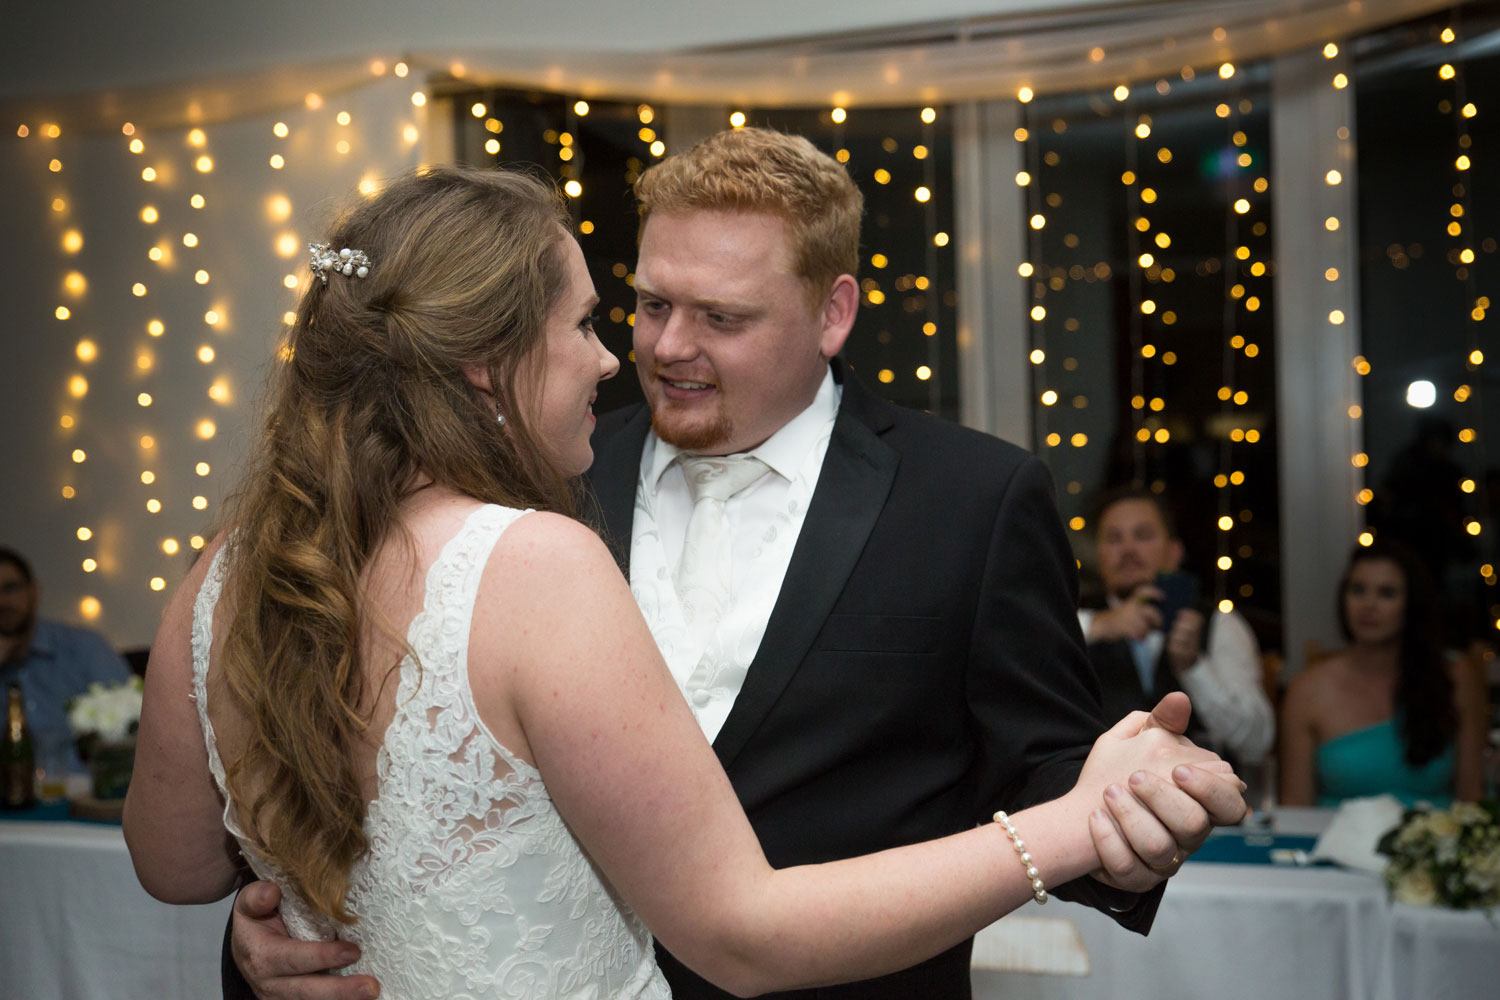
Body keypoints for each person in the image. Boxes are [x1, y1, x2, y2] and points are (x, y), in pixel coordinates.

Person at [214, 140, 1244, 1000]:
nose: (665, 347)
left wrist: (1129, 822)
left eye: (722, 317)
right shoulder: (532, 475)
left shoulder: (973, 498)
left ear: (832, 313)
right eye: (651, 304)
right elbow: (362, 758)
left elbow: (1044, 768)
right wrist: (269, 926)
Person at [1279, 539, 1485, 807]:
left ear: (1412, 604)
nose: (1368, 605)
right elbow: (1295, 808)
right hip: (1336, 845)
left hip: (1438, 844)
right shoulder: (1306, 690)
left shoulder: (1455, 676)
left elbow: (1472, 797)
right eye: (1357, 590)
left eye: (1386, 593)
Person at [1078, 487, 1274, 765]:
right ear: (1099, 555)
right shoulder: (1073, 621)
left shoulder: (1219, 624)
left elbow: (1256, 744)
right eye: (1113, 538)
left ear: (1174, 552)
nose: (1128, 549)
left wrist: (1194, 666)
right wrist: (1098, 626)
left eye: (1143, 535)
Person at [0, 546, 132, 774]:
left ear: (34, 591)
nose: (2, 602)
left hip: (87, 796)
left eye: (10, 589)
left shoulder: (84, 647)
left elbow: (133, 726)